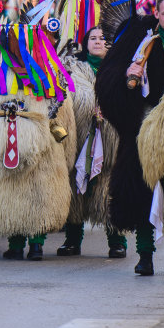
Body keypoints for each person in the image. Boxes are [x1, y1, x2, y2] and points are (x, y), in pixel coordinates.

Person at [95, 0, 164, 276]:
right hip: (148, 129)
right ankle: (145, 255)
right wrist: (128, 76)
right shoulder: (143, 43)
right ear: (157, 14)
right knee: (143, 189)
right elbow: (114, 78)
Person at [58, 26, 125, 258]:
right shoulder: (74, 68)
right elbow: (72, 94)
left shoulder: (120, 68)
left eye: (103, 38)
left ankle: (117, 240)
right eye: (93, 38)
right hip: (82, 135)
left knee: (110, 188)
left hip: (111, 137)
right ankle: (72, 240)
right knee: (76, 190)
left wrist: (107, 105)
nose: (98, 42)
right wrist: (95, 104)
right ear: (85, 43)